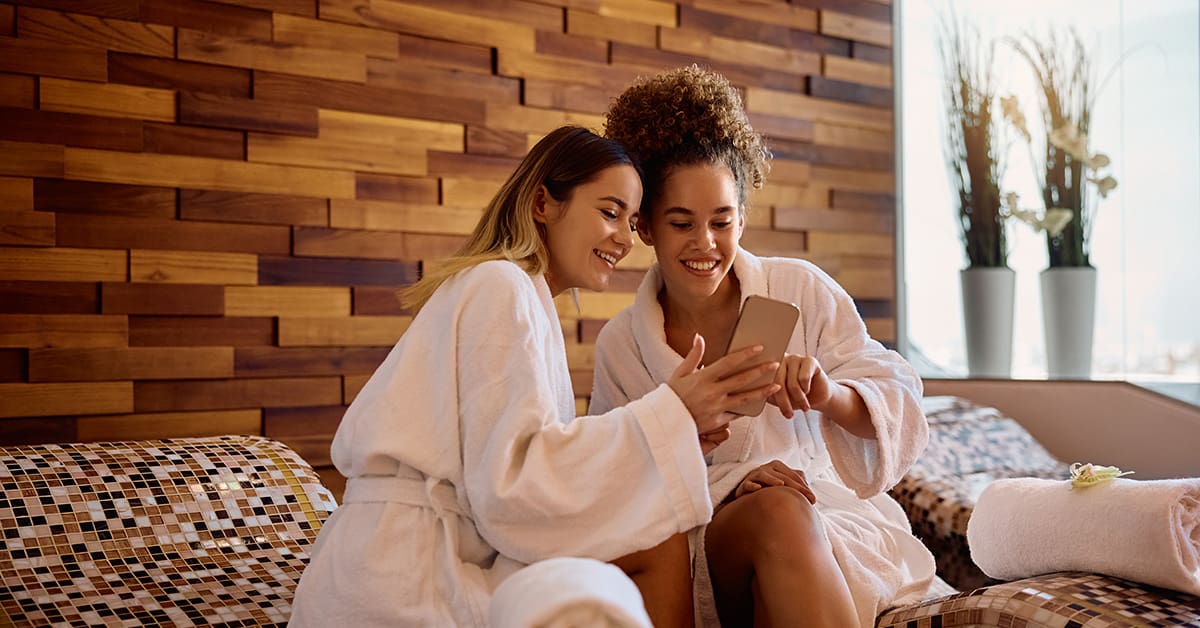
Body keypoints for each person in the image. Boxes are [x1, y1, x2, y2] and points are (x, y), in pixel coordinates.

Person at [288, 126, 782, 627]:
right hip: (407, 574)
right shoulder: (499, 285)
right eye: (610, 212)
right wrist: (669, 415)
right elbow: (511, 483)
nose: (624, 238)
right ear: (543, 203)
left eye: (632, 222)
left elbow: (531, 459)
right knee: (658, 539)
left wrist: (675, 436)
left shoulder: (520, 295)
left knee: (656, 534)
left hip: (447, 552)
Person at [592, 66, 937, 628]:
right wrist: (729, 484)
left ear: (742, 219)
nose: (705, 244)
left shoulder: (800, 290)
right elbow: (612, 481)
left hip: (823, 520)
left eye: (722, 222)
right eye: (681, 224)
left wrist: (830, 394)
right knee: (775, 509)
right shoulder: (622, 347)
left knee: (784, 511)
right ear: (647, 226)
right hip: (699, 545)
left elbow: (899, 397)